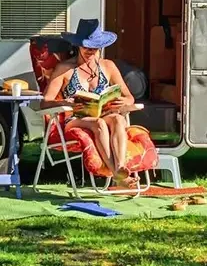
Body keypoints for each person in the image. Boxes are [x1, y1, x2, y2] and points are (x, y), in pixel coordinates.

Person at [40, 18, 138, 188]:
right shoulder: (65, 69)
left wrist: (123, 102)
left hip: (103, 113)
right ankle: (117, 175)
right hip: (75, 118)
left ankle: (121, 167)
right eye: (86, 47)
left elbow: (129, 97)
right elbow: (45, 102)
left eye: (94, 48)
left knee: (118, 120)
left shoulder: (108, 66)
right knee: (99, 123)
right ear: (78, 45)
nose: (90, 51)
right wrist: (67, 103)